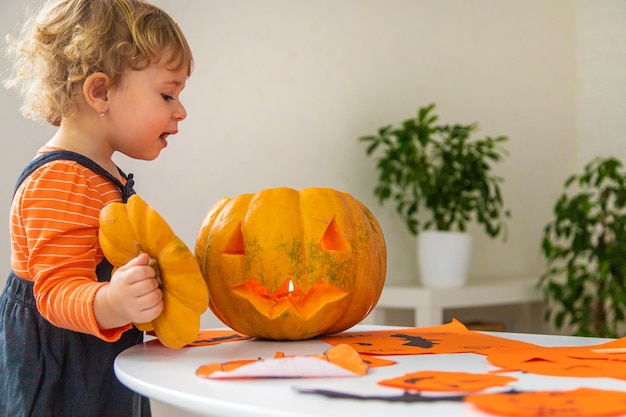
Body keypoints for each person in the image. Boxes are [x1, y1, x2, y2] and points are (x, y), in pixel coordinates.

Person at [0, 0, 193, 415]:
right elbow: (54, 294)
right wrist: (115, 303)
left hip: (95, 359)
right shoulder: (62, 180)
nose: (181, 111)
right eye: (167, 94)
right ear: (101, 92)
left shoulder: (99, 173)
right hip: (62, 376)